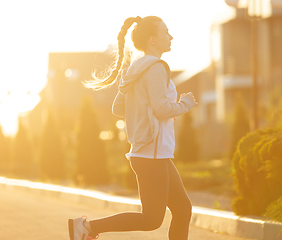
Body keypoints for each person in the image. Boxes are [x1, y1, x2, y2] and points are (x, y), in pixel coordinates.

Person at [68, 16, 198, 240]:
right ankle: (87, 227)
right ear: (153, 40)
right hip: (152, 155)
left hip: (153, 153)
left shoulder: (137, 67)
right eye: (166, 32)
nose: (171, 36)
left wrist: (152, 113)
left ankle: (87, 227)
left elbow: (120, 107)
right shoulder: (157, 67)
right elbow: (161, 109)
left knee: (183, 209)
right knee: (151, 219)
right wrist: (184, 103)